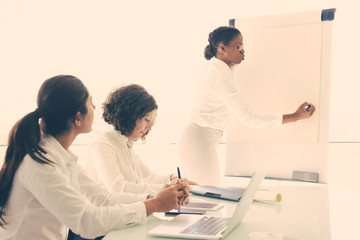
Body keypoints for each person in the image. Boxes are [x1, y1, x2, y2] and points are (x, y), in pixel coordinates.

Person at [0, 75, 189, 240]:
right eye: (90, 103)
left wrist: (155, 198)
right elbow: (87, 221)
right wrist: (154, 204)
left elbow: (103, 198)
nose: (95, 106)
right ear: (78, 118)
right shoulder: (39, 163)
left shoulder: (60, 156)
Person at [178, 26, 316, 186]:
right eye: (238, 47)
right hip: (198, 140)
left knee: (197, 200)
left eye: (243, 47)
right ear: (222, 48)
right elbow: (250, 119)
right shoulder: (221, 76)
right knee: (209, 198)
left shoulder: (215, 68)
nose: (243, 51)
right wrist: (295, 116)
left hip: (194, 138)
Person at [82, 84, 196, 196]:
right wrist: (169, 188)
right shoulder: (102, 144)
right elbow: (118, 188)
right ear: (130, 116)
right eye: (147, 120)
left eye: (152, 121)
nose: (150, 127)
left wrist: (173, 179)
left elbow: (150, 177)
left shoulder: (126, 144)